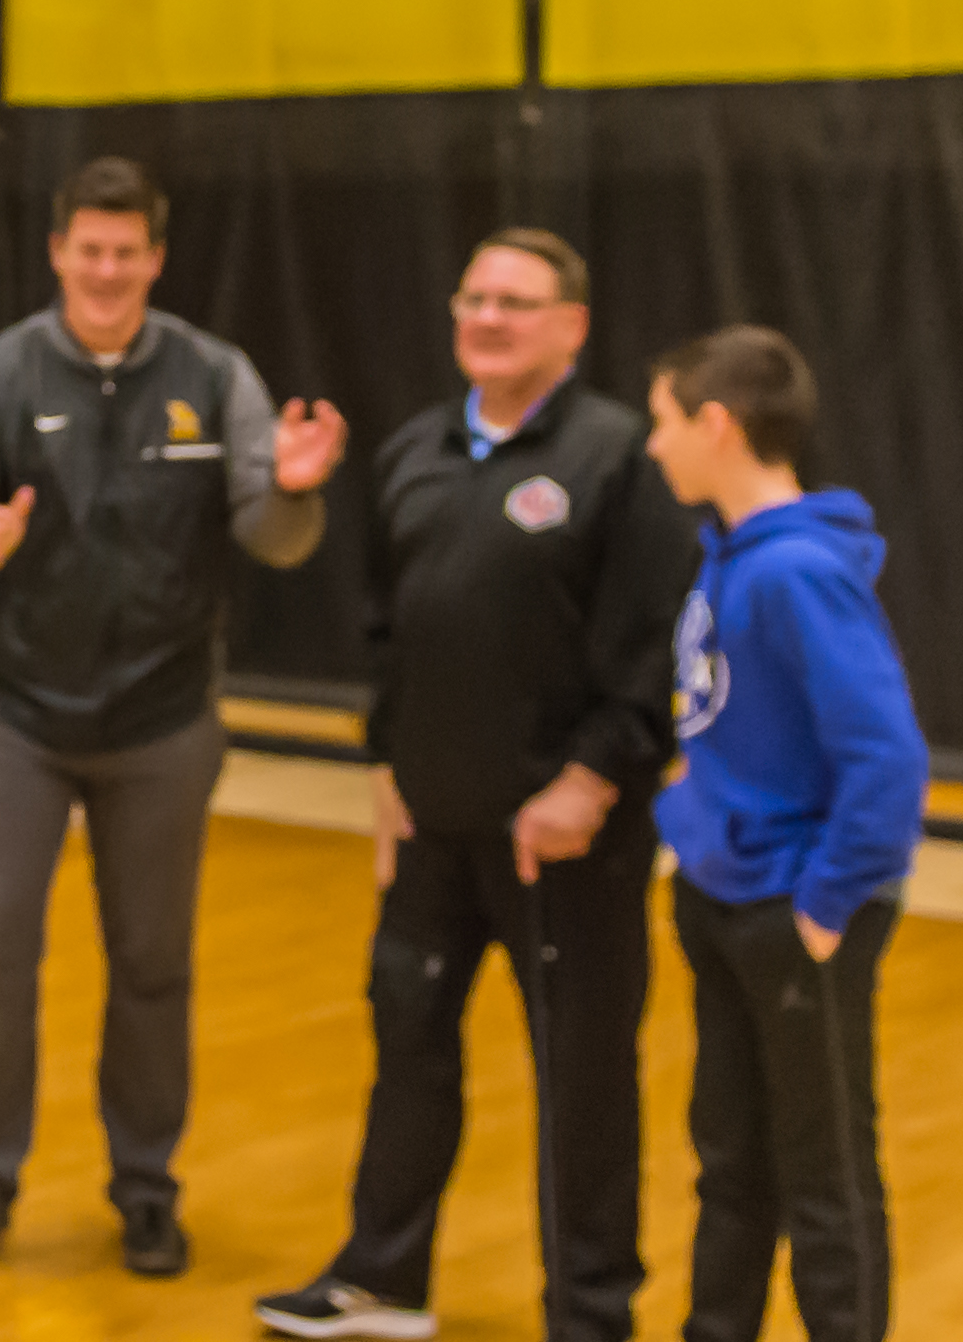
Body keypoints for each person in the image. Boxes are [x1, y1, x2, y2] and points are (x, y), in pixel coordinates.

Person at [0, 154, 345, 1280]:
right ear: (59, 252)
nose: (105, 270)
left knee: (152, 963)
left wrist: (295, 487)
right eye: (87, 250)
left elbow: (276, 535)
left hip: (162, 721)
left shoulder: (215, 374)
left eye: (126, 251)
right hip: (13, 714)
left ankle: (146, 1186)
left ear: (155, 258)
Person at [259, 229, 699, 1342]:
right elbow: (387, 631)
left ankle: (590, 1312)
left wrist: (591, 778)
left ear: (571, 327)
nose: (488, 318)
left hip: (566, 843)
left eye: (515, 302)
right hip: (431, 830)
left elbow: (655, 642)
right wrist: (387, 767)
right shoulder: (415, 449)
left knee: (583, 1082)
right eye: (474, 298)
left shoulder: (621, 456)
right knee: (407, 1046)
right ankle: (381, 1279)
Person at [642, 327, 926, 1342]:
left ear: (716, 424)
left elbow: (886, 761)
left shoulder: (796, 570)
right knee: (729, 1160)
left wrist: (821, 906)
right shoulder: (728, 558)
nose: (653, 445)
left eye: (664, 420)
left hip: (791, 909)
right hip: (722, 894)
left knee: (824, 1173)